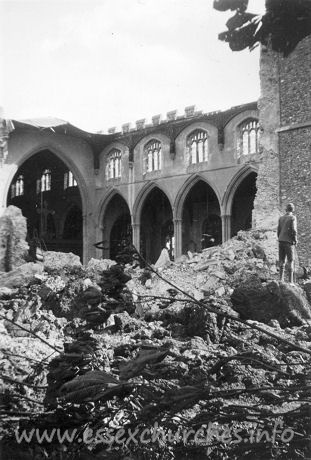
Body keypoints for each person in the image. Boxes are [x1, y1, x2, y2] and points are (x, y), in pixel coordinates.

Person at [277, 203, 298, 283]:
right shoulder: (293, 217)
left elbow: (278, 230)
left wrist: (280, 238)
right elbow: (294, 230)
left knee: (281, 260)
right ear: (293, 209)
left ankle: (281, 280)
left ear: (286, 209)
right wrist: (295, 240)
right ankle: (291, 282)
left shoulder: (281, 218)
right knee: (291, 260)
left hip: (281, 240)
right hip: (289, 242)